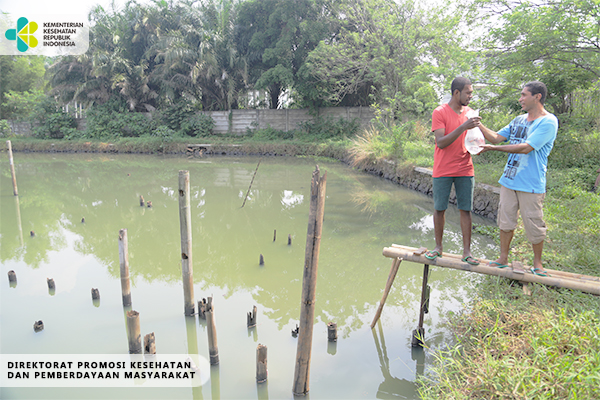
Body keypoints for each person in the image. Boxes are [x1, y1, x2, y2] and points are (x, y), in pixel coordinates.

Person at [478, 81, 558, 275]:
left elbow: (526, 147)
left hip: (531, 183)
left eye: (524, 95)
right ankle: (503, 258)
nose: (520, 99)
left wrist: (492, 149)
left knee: (534, 223)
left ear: (537, 97)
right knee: (505, 221)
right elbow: (496, 137)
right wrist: (478, 124)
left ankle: (537, 263)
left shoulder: (548, 122)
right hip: (509, 180)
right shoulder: (518, 120)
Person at [426, 77, 482, 265]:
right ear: (456, 93)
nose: (471, 96)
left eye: (471, 92)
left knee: (465, 209)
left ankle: (467, 251)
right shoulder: (440, 112)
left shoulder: (470, 113)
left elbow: (474, 138)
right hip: (443, 168)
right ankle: (438, 247)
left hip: (465, 168)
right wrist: (463, 127)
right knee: (439, 208)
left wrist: (478, 143)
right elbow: (441, 142)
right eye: (468, 92)